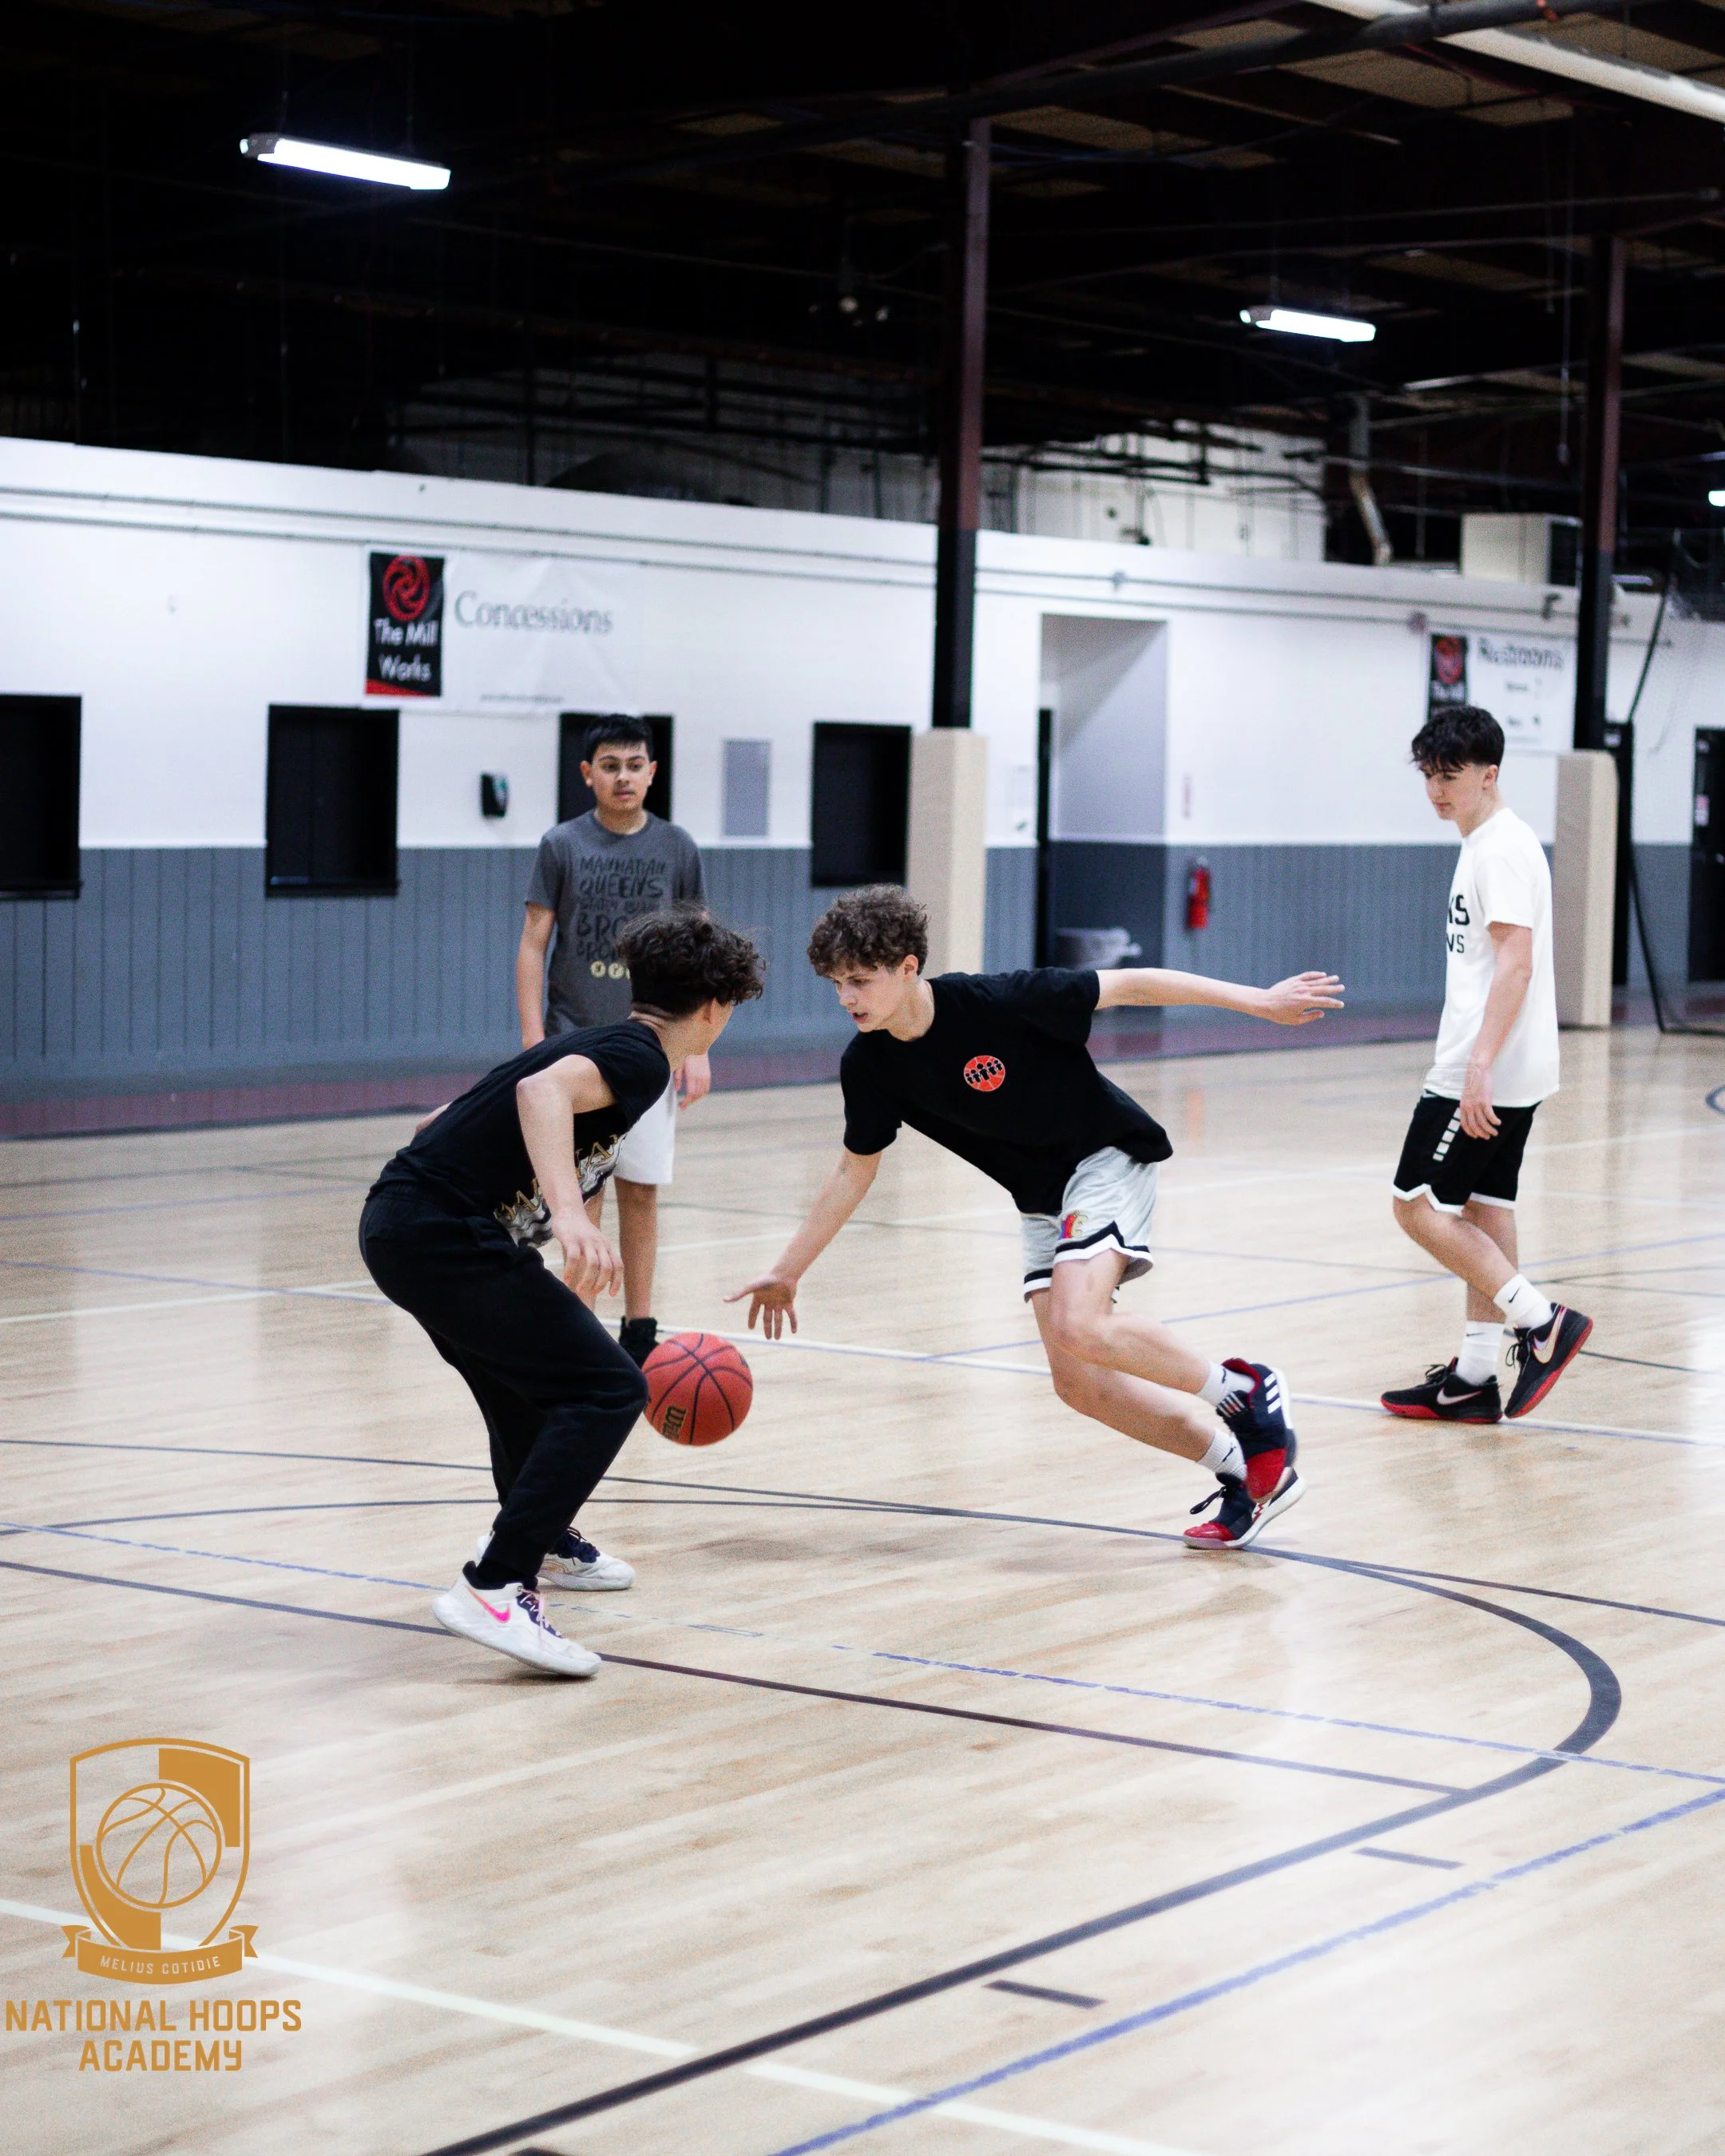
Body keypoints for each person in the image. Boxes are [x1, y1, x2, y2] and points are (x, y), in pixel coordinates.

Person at [727, 886, 1344, 1551]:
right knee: (1079, 1382)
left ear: (908, 968)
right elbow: (855, 1169)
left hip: (1105, 1157)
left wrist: (1258, 1001)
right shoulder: (870, 1063)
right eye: (836, 984)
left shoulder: (998, 1001)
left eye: (860, 980)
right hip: (1043, 1198)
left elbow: (1131, 983)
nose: (847, 998)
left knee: (1081, 1322)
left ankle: (1244, 1390)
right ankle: (1247, 1475)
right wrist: (789, 1271)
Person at [363, 906, 764, 1677]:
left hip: (403, 1227)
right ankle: (495, 1584)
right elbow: (540, 1096)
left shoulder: (592, 1041)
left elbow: (433, 1125)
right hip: (442, 1238)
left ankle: (539, 1542)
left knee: (529, 1397)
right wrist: (573, 1217)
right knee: (610, 1387)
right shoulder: (642, 1058)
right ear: (715, 1010)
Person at [1382, 704, 1591, 1424]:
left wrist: (1477, 1070)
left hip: (1484, 1065)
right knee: (1483, 1206)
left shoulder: (1498, 848)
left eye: (1452, 776)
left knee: (1416, 1206)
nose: (1439, 789)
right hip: (1517, 1065)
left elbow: (1517, 964)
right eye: (1430, 776)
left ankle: (1542, 1323)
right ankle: (1473, 1377)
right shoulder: (1490, 841)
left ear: (1488, 774)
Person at [517, 715, 708, 1369]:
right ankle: (579, 1330)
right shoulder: (562, 844)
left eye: (635, 764)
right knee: (581, 1194)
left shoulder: (677, 847)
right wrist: (533, 1037)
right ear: (588, 774)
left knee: (641, 1189)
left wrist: (700, 1046)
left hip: (654, 1046)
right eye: (610, 765)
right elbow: (534, 944)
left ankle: (640, 1329)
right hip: (578, 1046)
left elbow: (697, 950)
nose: (623, 776)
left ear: (653, 771)